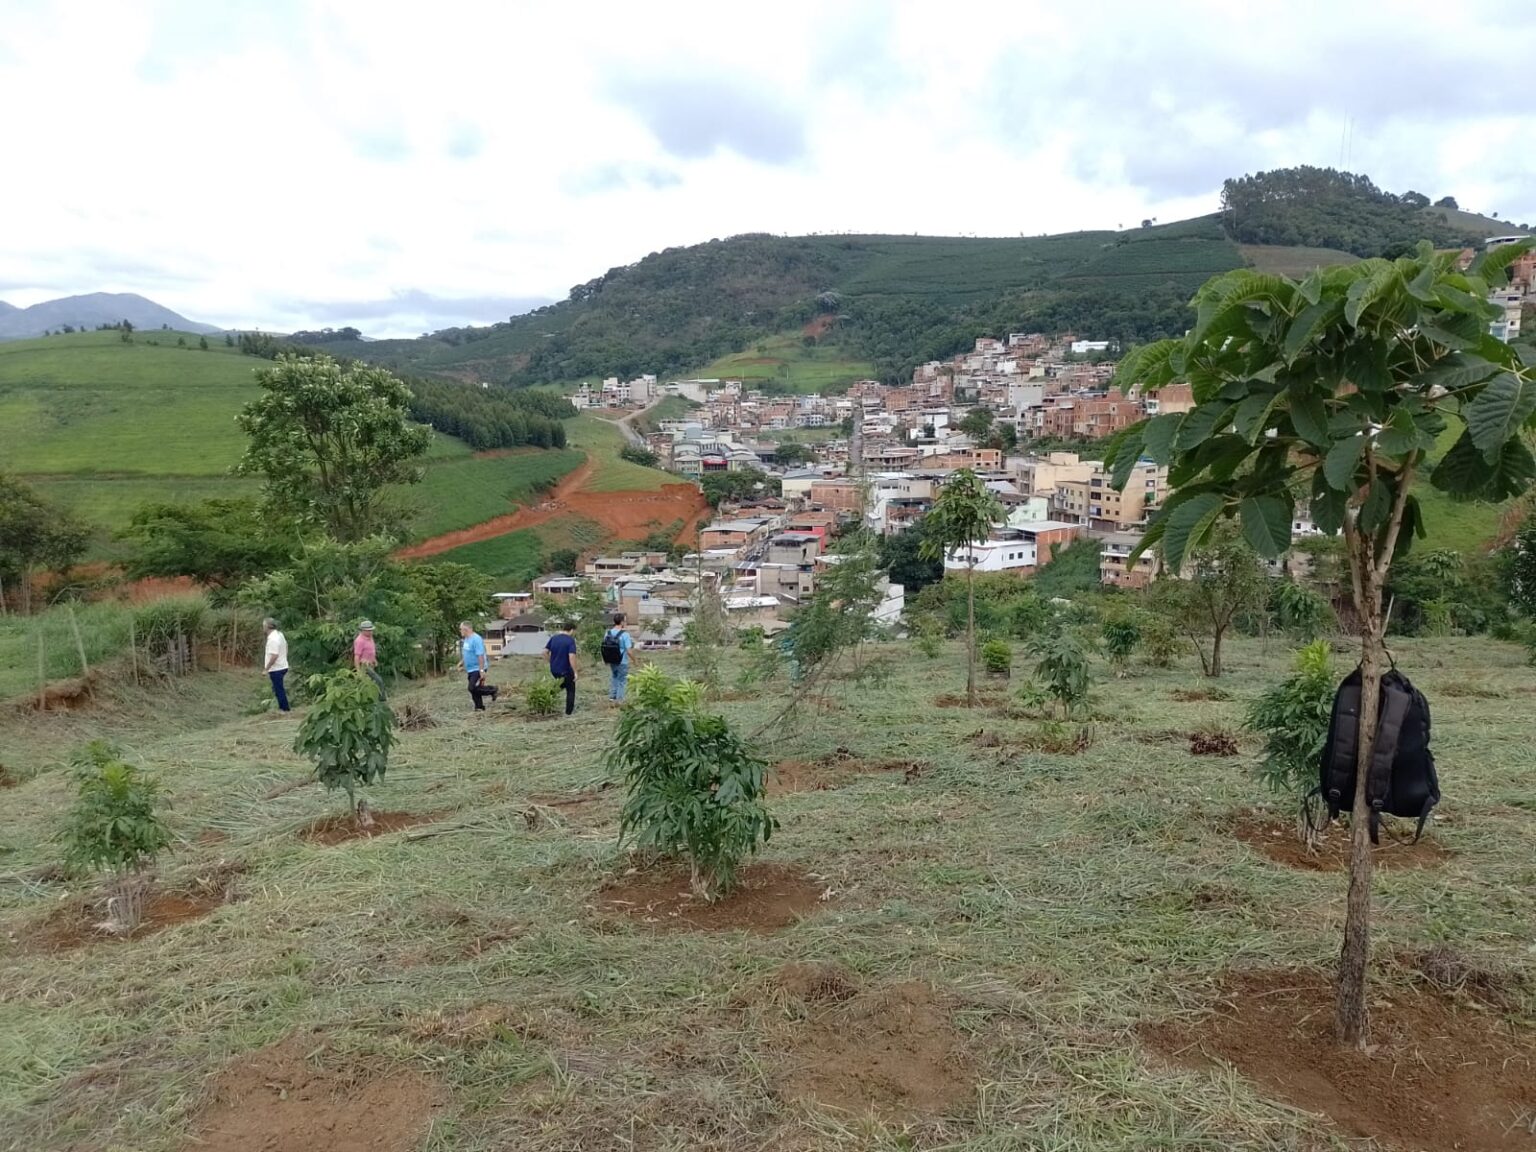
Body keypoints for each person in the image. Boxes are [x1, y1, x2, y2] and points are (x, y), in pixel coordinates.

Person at [458, 621, 498, 710]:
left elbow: (480, 656)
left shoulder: (476, 639)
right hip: (470, 669)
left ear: (466, 629)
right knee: (475, 689)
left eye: (461, 629)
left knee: (472, 688)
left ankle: (493, 690)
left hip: (478, 668)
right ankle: (479, 707)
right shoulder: (467, 639)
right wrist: (462, 662)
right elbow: (467, 652)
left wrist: (481, 670)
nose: (460, 631)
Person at [544, 620, 579, 716]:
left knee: (559, 685)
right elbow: (571, 656)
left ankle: (546, 699)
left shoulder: (554, 638)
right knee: (571, 690)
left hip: (554, 669)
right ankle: (569, 712)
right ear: (571, 630)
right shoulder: (570, 641)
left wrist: (550, 661)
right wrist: (575, 671)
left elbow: (544, 652)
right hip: (566, 670)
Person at [602, 612, 637, 703]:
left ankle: (612, 697)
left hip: (611, 660)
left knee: (614, 677)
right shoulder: (625, 634)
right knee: (622, 680)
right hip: (622, 661)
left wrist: (605, 659)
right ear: (621, 622)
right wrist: (634, 660)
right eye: (624, 621)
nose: (625, 623)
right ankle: (619, 700)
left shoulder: (608, 633)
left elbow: (604, 647)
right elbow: (629, 651)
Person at [262, 617, 289, 712]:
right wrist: (284, 657)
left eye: (264, 625)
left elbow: (274, 655)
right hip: (283, 665)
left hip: (276, 668)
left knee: (279, 689)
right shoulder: (279, 634)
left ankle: (284, 709)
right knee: (276, 688)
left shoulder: (273, 639)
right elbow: (286, 645)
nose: (263, 628)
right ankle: (282, 707)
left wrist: (266, 669)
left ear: (268, 626)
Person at [353, 620, 385, 698]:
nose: (370, 632)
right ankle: (382, 700)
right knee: (378, 681)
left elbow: (371, 650)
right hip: (364, 665)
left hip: (371, 664)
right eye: (368, 631)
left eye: (371, 630)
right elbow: (356, 656)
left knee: (371, 684)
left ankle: (374, 699)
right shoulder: (360, 641)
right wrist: (358, 671)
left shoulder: (370, 637)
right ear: (363, 630)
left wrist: (374, 659)